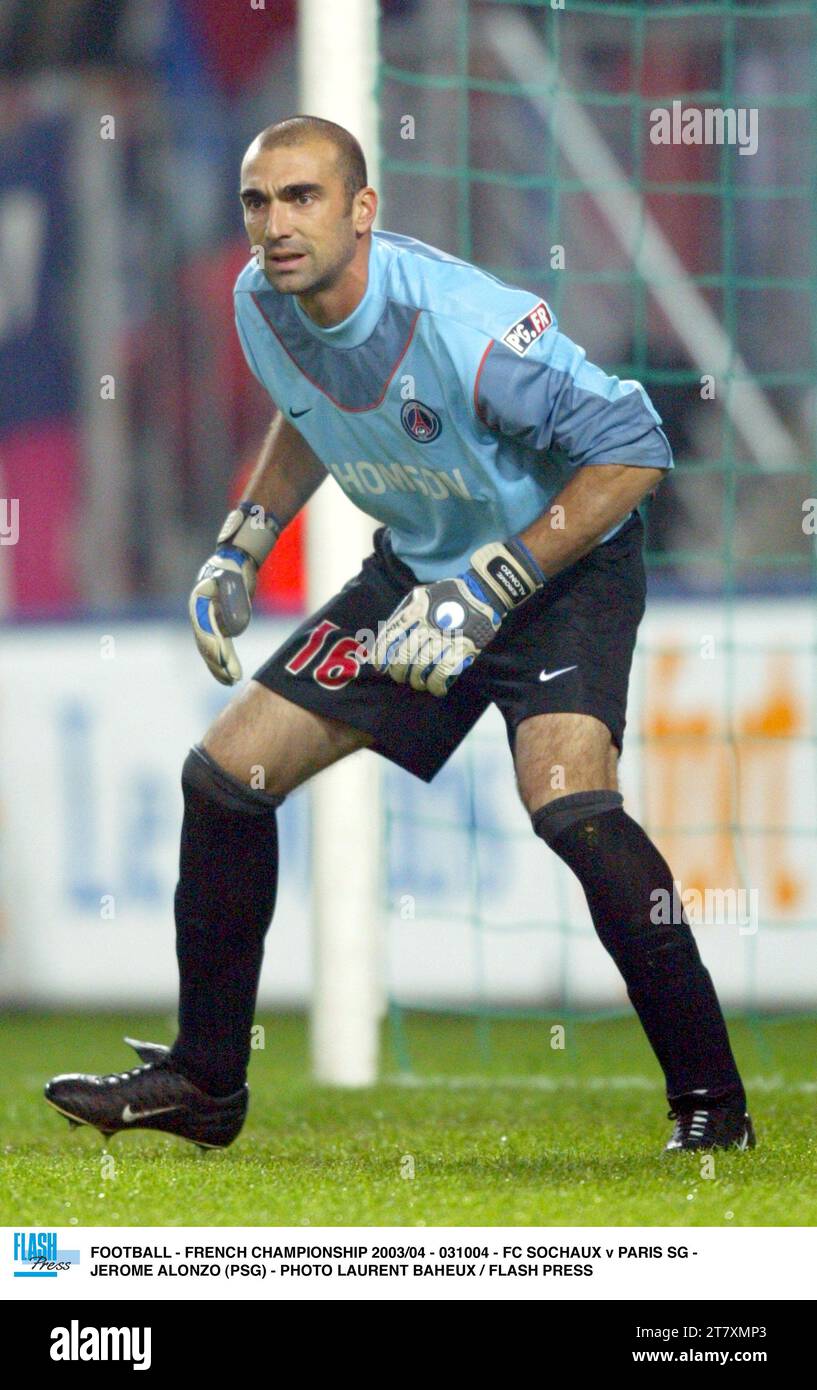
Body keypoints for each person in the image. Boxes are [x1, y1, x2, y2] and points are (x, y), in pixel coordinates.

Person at [45, 115, 754, 1154]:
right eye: (257, 201)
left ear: (361, 210)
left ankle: (711, 1104)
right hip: (418, 574)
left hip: (556, 570)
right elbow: (309, 410)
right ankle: (205, 1083)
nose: (276, 225)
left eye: (303, 198)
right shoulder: (262, 303)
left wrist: (498, 576)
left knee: (569, 803)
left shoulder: (462, 327)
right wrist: (242, 541)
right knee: (225, 775)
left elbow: (636, 447)